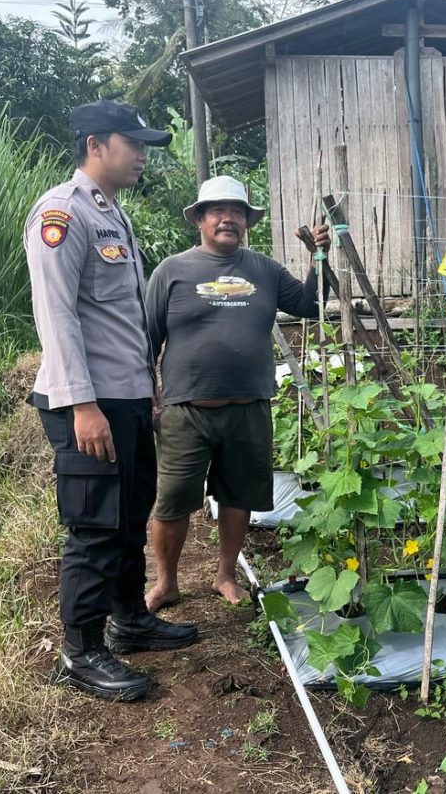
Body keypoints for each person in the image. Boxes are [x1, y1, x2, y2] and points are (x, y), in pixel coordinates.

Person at [25, 99, 199, 701]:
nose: (143, 154)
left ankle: (130, 620)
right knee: (95, 525)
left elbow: (119, 317)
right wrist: (82, 405)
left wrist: (145, 385)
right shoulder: (62, 214)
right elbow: (57, 317)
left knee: (130, 514)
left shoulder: (112, 215)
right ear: (97, 144)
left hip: (124, 395)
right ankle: (81, 653)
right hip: (88, 401)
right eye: (134, 143)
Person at [144, 174, 330, 609]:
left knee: (238, 495)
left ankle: (225, 574)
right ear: (200, 220)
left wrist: (318, 259)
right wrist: (149, 395)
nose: (227, 218)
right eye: (217, 211)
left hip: (248, 408)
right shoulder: (172, 270)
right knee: (172, 500)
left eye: (237, 212)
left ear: (247, 221)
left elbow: (309, 306)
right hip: (186, 409)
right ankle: (166, 581)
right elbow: (146, 337)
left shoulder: (263, 269)